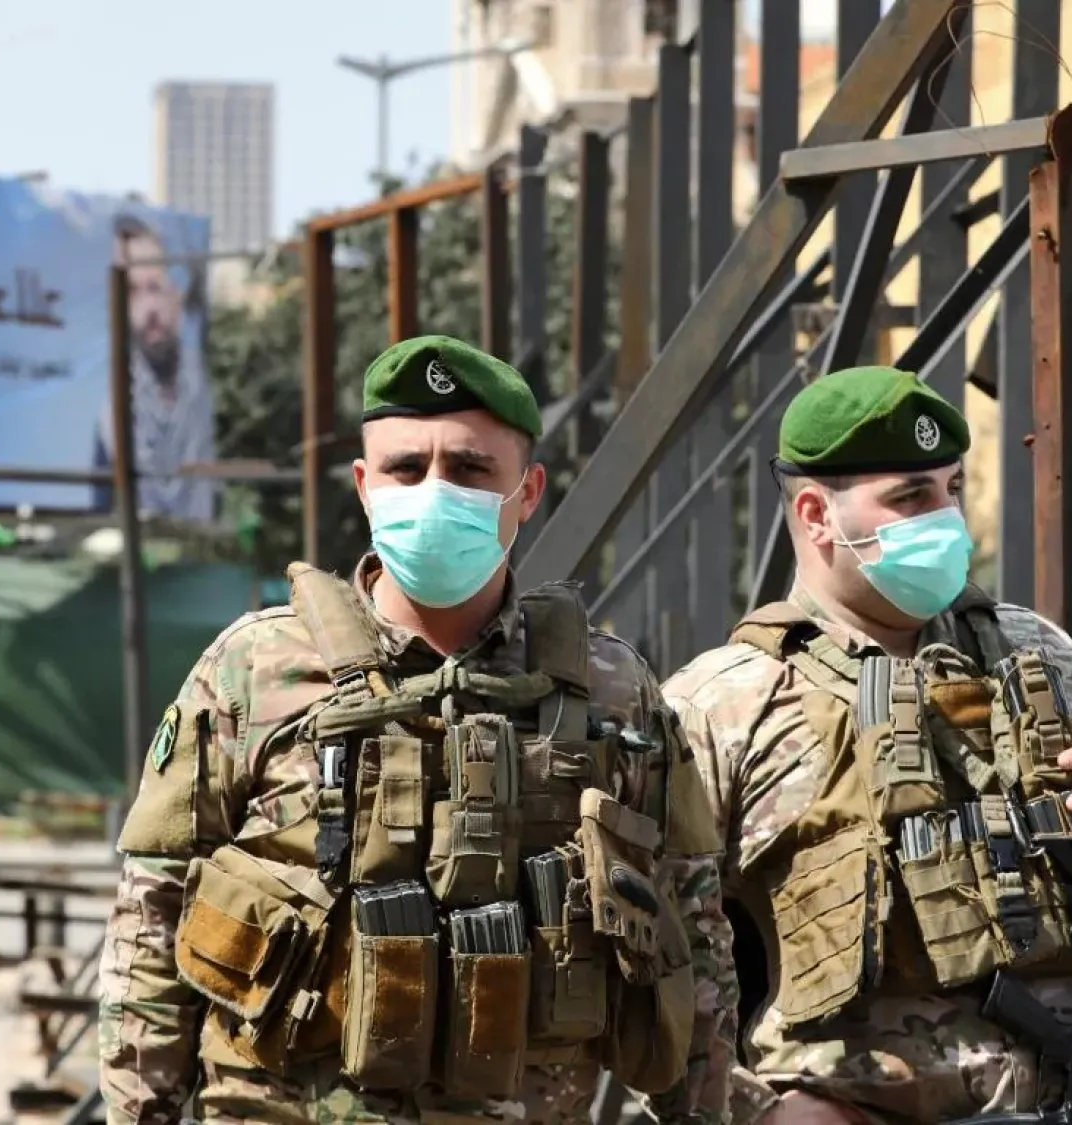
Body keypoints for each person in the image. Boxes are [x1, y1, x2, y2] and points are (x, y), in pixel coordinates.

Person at [98, 334, 738, 1124]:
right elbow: (151, 922)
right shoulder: (252, 669)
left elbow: (691, 933)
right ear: (366, 486)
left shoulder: (611, 690)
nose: (435, 489)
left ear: (528, 490)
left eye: (470, 469)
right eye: (407, 467)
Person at [660, 366, 1072, 1125]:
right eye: (911, 497)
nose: (946, 518)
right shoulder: (727, 700)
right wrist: (754, 1110)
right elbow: (648, 948)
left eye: (952, 488)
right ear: (817, 513)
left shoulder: (1031, 649)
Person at [90, 212, 217, 523]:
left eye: (154, 287)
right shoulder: (113, 400)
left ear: (174, 292)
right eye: (132, 292)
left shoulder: (198, 384)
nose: (148, 309)